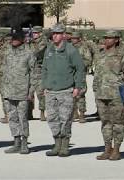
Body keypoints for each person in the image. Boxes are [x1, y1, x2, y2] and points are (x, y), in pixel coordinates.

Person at [42, 24, 85, 157]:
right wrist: (44, 85)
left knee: (65, 119)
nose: (54, 36)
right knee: (53, 119)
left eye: (58, 33)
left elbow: (80, 69)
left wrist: (77, 87)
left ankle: (65, 146)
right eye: (53, 33)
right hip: (50, 90)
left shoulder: (71, 50)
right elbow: (44, 68)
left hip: (65, 90)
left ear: (64, 35)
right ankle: (57, 145)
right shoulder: (49, 49)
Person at [94, 30, 124, 161]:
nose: (106, 40)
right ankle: (107, 149)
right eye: (105, 37)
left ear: (117, 40)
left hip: (117, 94)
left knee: (118, 123)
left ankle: (116, 149)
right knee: (105, 123)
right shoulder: (100, 54)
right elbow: (97, 73)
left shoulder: (122, 55)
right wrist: (95, 88)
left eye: (110, 38)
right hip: (101, 93)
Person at [1, 28, 36, 154]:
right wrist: (3, 89)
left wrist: (31, 92)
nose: (13, 40)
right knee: (12, 117)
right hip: (8, 91)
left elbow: (34, 73)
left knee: (23, 118)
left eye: (16, 38)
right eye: (12, 38)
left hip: (23, 92)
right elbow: (3, 70)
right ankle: (16, 142)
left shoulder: (29, 53)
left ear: (22, 39)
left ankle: (25, 143)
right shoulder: (7, 52)